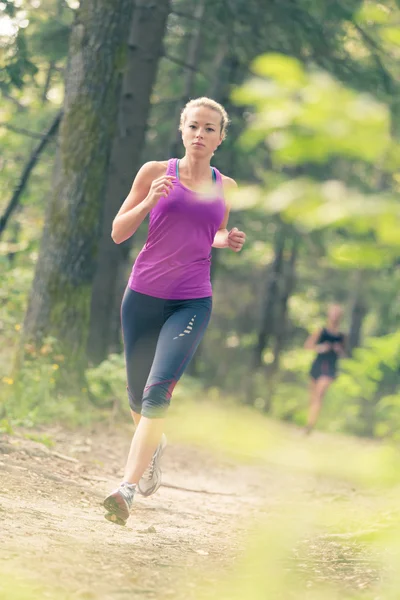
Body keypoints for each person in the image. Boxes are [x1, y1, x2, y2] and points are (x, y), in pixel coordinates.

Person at [103, 97, 246, 525]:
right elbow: (117, 232)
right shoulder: (154, 172)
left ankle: (125, 489)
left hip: (191, 299)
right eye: (194, 126)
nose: (200, 134)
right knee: (135, 392)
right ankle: (154, 447)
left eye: (209, 129)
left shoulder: (227, 187)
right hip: (143, 295)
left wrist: (228, 240)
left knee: (157, 392)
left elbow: (211, 234)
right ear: (182, 130)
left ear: (220, 138)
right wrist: (149, 201)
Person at [304, 304, 346, 434]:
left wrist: (339, 350)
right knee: (313, 397)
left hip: (330, 368)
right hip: (318, 364)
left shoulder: (341, 336)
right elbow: (308, 346)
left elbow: (344, 355)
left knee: (319, 394)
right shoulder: (321, 331)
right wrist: (321, 348)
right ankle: (309, 422)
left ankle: (310, 426)